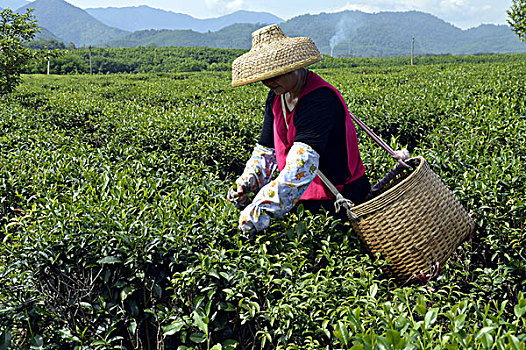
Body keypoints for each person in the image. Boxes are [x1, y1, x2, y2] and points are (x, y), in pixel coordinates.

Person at [227, 24, 372, 235]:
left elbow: (301, 165)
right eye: (264, 76)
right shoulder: (277, 96)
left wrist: (261, 208)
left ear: (295, 66)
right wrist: (248, 182)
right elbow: (265, 151)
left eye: (276, 72)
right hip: (302, 199)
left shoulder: (319, 100)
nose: (268, 81)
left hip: (338, 201)